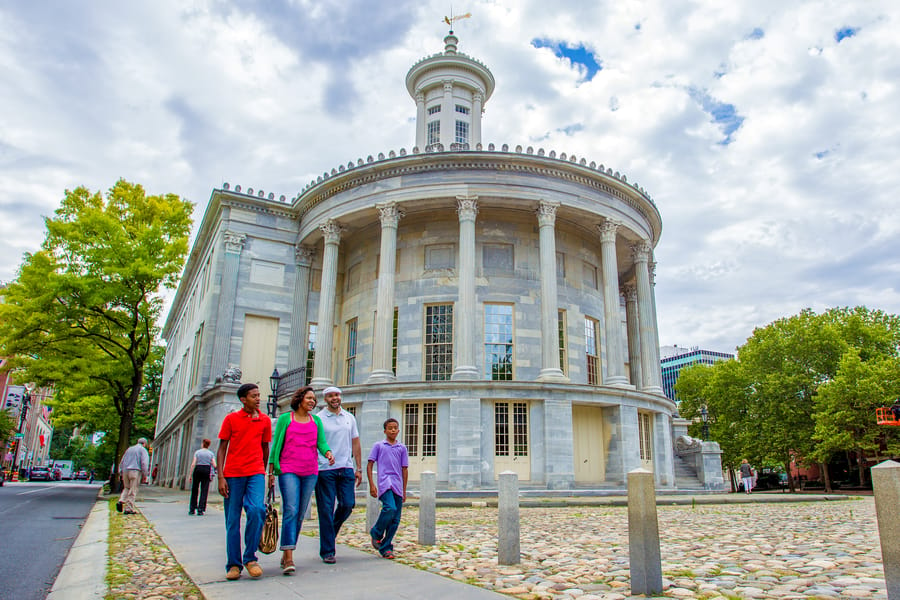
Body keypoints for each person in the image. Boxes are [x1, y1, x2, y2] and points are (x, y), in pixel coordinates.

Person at [268, 386, 334, 574]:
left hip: (310, 471)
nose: (312, 401)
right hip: (288, 469)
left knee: (300, 513)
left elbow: (321, 442)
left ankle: (288, 548)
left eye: (314, 399)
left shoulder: (316, 421)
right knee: (290, 509)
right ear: (299, 399)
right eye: (309, 398)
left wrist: (328, 453)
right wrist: (271, 470)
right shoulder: (284, 419)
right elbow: (276, 446)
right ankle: (289, 556)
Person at [217, 383, 272, 581]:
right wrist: (221, 476)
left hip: (255, 473)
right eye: (254, 396)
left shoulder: (265, 420)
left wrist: (263, 471)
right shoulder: (231, 419)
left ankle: (250, 558)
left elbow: (265, 448)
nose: (258, 399)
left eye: (259, 395)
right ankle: (233, 563)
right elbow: (222, 447)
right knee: (232, 520)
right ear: (243, 399)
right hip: (232, 474)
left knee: (257, 510)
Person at [314, 386, 362, 564]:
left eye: (337, 395)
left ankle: (329, 533)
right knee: (325, 509)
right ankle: (328, 550)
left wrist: (358, 467)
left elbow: (355, 442)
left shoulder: (349, 418)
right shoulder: (318, 418)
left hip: (346, 467)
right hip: (325, 468)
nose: (335, 398)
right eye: (331, 396)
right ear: (325, 399)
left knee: (348, 504)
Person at [367, 418, 408, 560]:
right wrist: (372, 484)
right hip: (385, 483)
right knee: (389, 508)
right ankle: (377, 531)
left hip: (397, 484)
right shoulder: (379, 446)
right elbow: (370, 464)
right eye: (390, 428)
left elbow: (404, 469)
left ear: (398, 430)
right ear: (385, 431)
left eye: (395, 428)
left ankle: (386, 547)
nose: (392, 430)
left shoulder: (402, 448)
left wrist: (404, 489)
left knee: (396, 519)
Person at [117, 438, 150, 515]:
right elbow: (144, 463)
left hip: (125, 470)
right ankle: (129, 508)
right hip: (135, 471)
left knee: (126, 488)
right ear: (144, 444)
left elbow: (122, 461)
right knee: (133, 489)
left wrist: (120, 471)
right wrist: (145, 474)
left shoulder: (129, 449)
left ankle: (121, 500)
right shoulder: (143, 450)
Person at [188, 438, 217, 516]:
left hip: (198, 469)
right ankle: (201, 509)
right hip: (206, 470)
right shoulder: (211, 454)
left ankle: (192, 508)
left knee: (195, 489)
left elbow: (193, 464)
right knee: (204, 490)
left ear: (202, 444)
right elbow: (214, 464)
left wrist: (190, 475)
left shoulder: (197, 452)